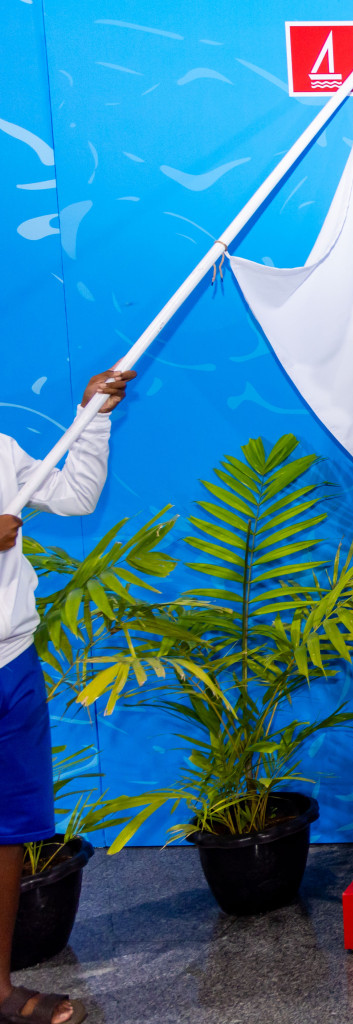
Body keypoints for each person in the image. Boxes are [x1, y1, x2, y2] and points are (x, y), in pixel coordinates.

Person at [1, 368, 135, 1024]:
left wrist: (93, 416)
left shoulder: (0, 450)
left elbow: (78, 494)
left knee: (10, 831)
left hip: (12, 663)